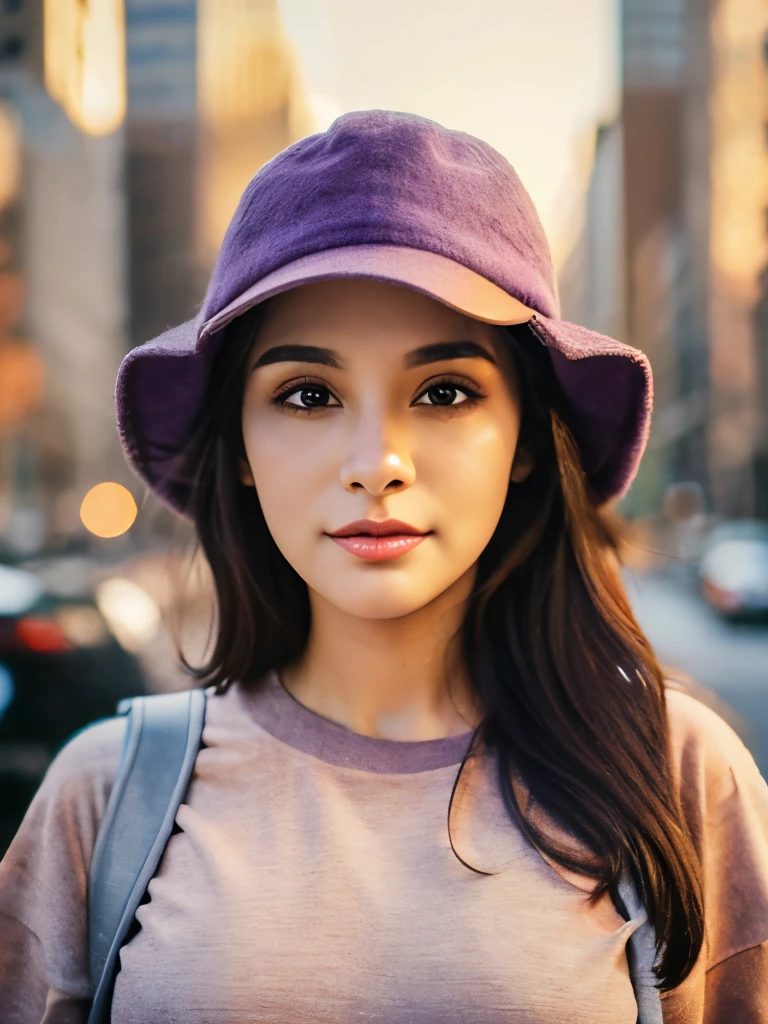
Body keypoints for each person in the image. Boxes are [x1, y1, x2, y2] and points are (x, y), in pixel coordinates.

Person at [1, 109, 767, 1024]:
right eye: (307, 394)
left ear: (524, 435)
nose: (378, 460)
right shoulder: (105, 798)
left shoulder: (676, 777)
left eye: (444, 392)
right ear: (239, 444)